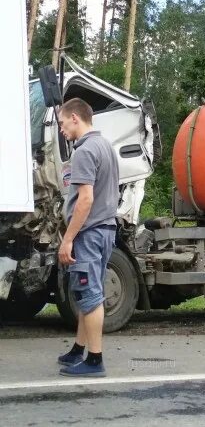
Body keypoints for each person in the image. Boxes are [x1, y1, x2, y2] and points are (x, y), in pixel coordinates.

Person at [56, 98, 119, 377]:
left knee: (89, 294)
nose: (61, 130)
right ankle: (78, 349)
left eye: (61, 123)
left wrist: (68, 239)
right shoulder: (105, 145)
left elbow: (85, 200)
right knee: (87, 292)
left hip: (89, 233)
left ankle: (95, 361)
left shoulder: (84, 150)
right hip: (105, 230)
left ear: (74, 118)